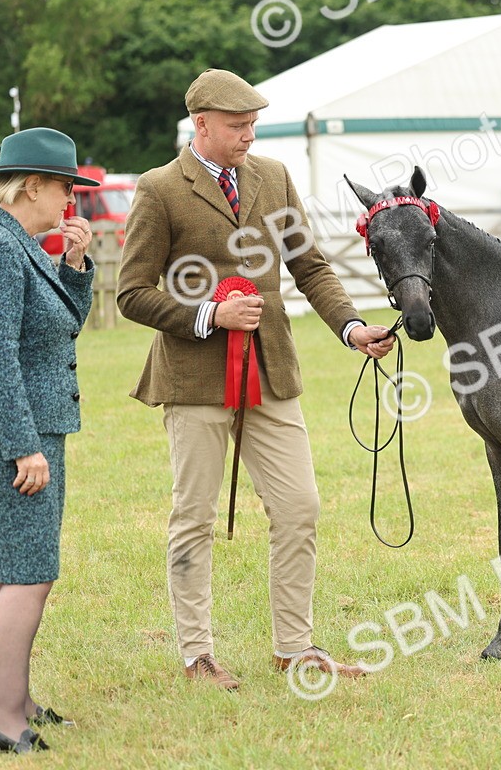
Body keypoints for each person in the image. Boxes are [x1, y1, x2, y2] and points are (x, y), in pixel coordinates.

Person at [117, 68, 396, 691]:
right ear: (201, 124)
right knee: (194, 516)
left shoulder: (274, 176)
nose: (249, 136)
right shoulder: (159, 189)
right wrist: (208, 315)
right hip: (194, 379)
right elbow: (131, 293)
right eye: (237, 126)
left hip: (270, 371)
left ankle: (294, 649)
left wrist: (352, 328)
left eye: (253, 125)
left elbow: (309, 265)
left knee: (300, 507)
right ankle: (197, 656)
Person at [0, 127, 96, 753]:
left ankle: (17, 698)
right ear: (31, 186)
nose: (70, 199)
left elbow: (59, 325)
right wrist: (22, 445)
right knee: (27, 575)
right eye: (65, 187)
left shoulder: (15, 243)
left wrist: (75, 266)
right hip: (4, 435)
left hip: (19, 430)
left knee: (15, 572)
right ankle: (6, 722)